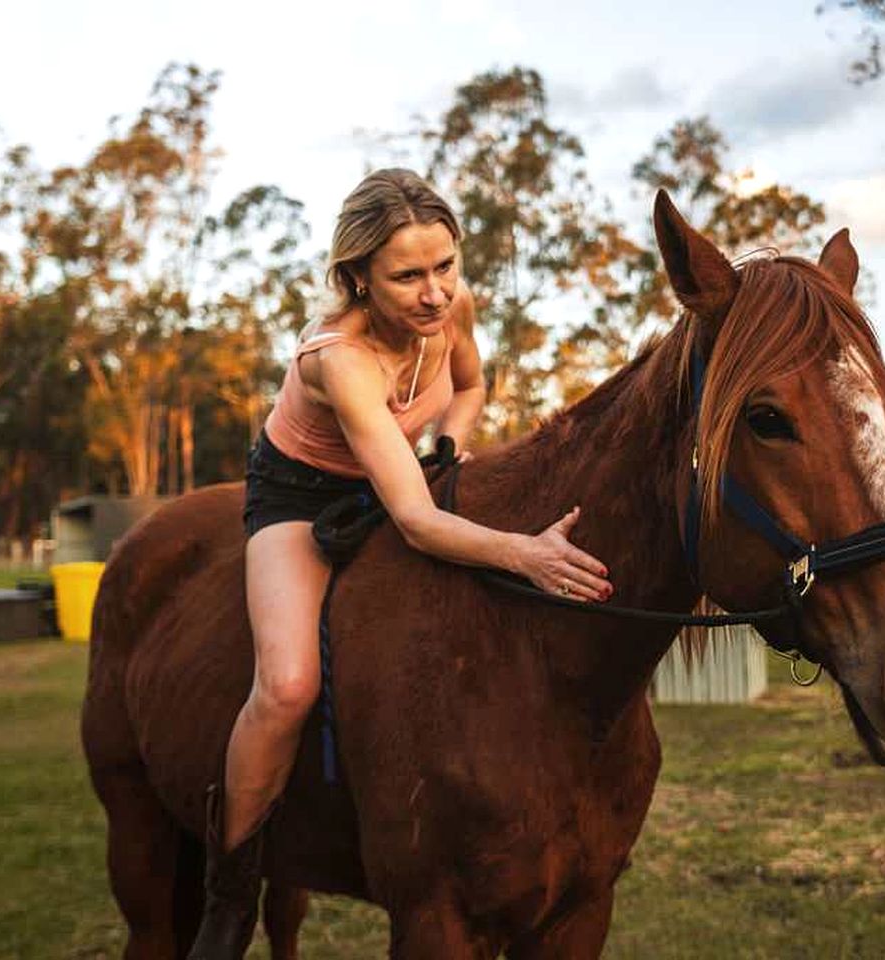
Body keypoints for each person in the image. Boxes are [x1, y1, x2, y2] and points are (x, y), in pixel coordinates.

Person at [189, 168, 613, 958]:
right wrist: (526, 553)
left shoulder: (451, 308)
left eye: (445, 266)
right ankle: (230, 886)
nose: (434, 293)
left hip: (399, 476)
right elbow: (416, 524)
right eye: (407, 276)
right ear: (358, 277)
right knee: (286, 687)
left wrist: (448, 439)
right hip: (301, 499)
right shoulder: (339, 359)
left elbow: (472, 384)